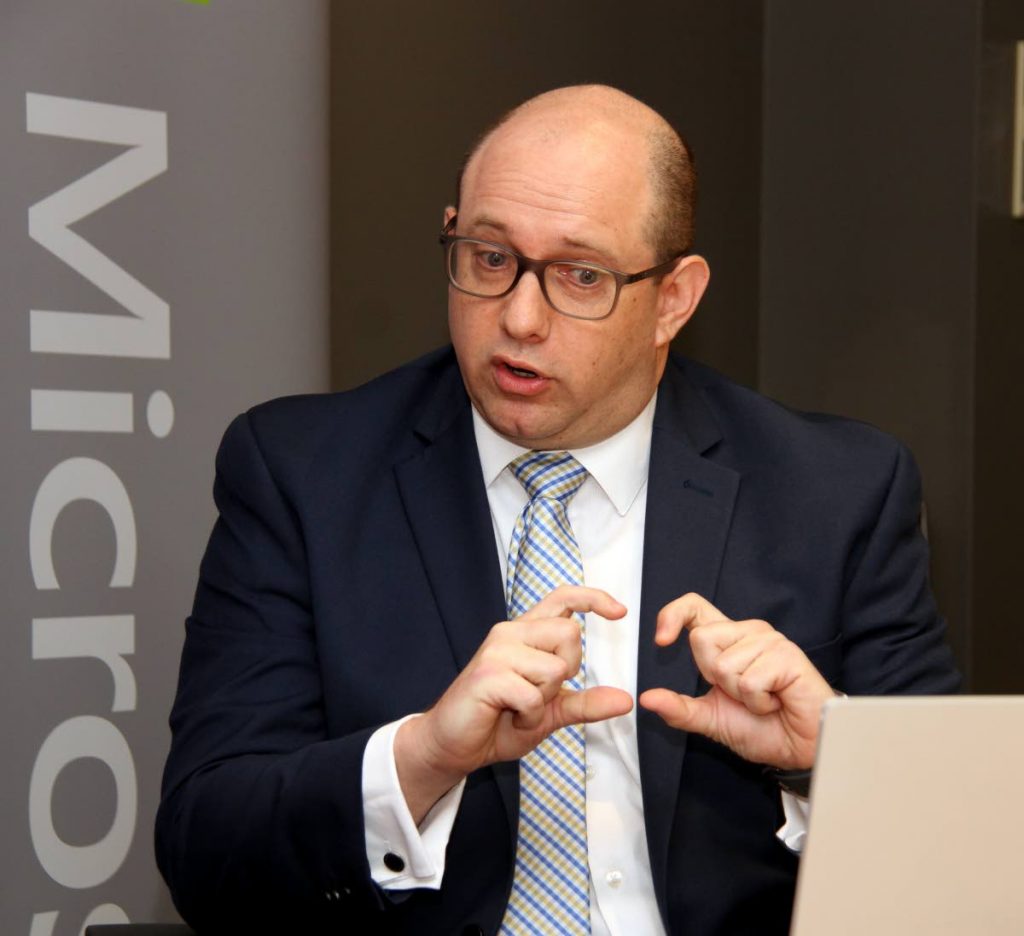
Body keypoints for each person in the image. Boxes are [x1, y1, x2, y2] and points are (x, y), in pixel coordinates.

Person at [156, 85, 959, 935]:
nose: (520, 318)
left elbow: (959, 865)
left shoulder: (837, 492)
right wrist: (421, 759)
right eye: (490, 257)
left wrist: (826, 766)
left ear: (674, 300)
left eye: (582, 276)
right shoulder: (301, 475)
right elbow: (207, 847)